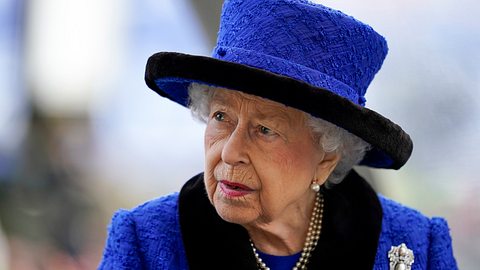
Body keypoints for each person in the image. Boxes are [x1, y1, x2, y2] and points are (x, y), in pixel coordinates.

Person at [99, 0, 457, 269]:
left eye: (265, 129)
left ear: (326, 159)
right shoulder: (145, 242)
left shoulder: (416, 245)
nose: (229, 152)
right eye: (221, 116)